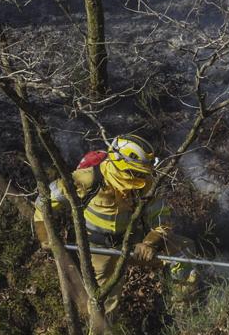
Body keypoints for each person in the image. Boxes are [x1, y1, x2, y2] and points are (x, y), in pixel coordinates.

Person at [33, 134, 196, 318]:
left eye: (143, 173)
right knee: (103, 305)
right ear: (120, 164)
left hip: (132, 244)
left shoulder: (146, 185)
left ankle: (184, 313)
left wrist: (149, 243)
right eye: (136, 173)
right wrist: (45, 235)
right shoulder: (85, 180)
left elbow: (161, 221)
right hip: (97, 251)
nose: (141, 177)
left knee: (184, 251)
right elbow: (43, 202)